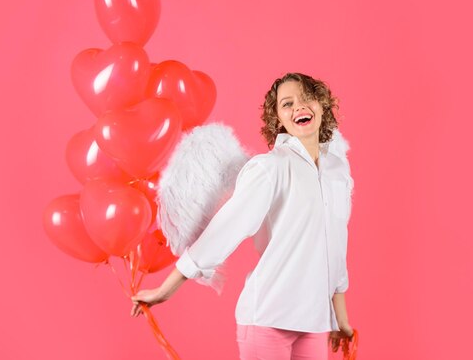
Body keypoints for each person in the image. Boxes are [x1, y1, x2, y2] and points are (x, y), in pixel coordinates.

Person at [132, 73, 354, 360]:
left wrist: (340, 319)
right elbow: (225, 230)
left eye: (307, 98)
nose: (299, 107)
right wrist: (166, 289)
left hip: (315, 322)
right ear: (279, 120)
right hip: (267, 318)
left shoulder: (337, 171)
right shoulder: (270, 167)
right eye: (287, 103)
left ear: (322, 106)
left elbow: (335, 247)